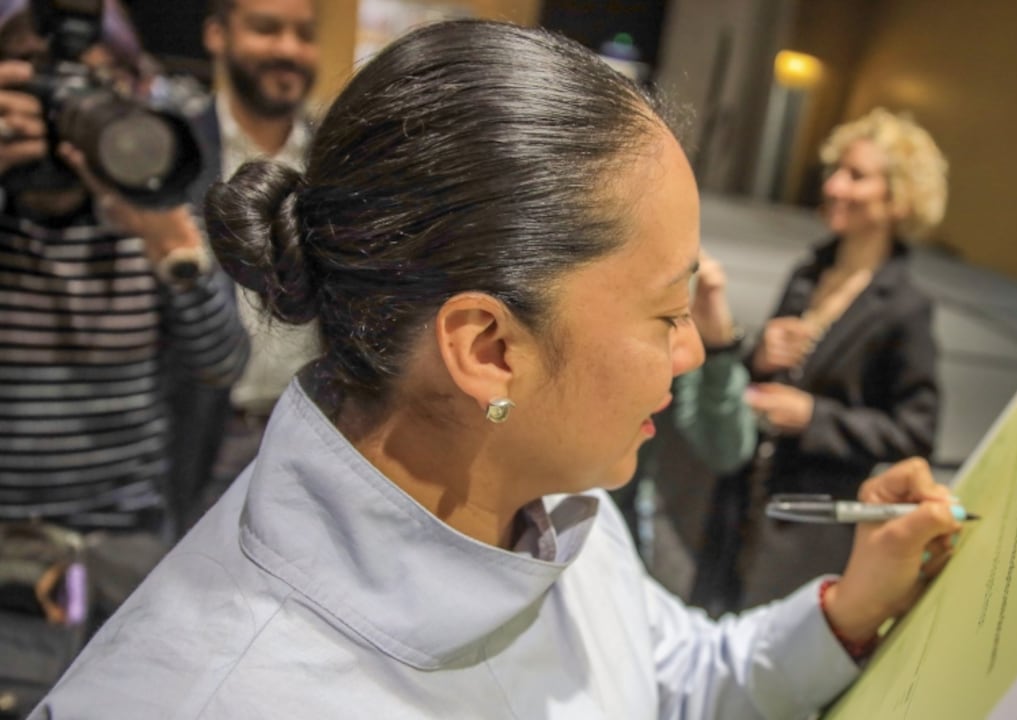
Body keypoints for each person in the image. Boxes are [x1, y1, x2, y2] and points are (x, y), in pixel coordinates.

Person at [33, 22, 961, 718]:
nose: (690, 355)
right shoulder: (216, 693)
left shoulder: (549, 500)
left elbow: (668, 675)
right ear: (488, 350)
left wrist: (845, 611)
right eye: (669, 315)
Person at [0, 0, 247, 539]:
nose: (66, 106)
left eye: (93, 84)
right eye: (39, 82)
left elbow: (222, 364)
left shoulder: (148, 211)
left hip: (121, 534)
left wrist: (173, 248)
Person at [733, 108, 948, 609]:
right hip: (746, 499)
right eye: (835, 171)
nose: (834, 186)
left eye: (857, 176)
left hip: (813, 527)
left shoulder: (904, 309)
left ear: (898, 197)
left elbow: (917, 433)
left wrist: (813, 417)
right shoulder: (808, 272)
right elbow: (758, 376)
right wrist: (760, 355)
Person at [168, 0, 320, 531]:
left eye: (304, 34)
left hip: (309, 434)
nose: (288, 49)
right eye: (266, 29)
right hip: (196, 438)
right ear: (217, 34)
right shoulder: (173, 150)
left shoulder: (333, 158)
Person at [614, 250, 756, 594]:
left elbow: (727, 451)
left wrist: (720, 348)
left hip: (629, 539)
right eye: (666, 319)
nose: (689, 353)